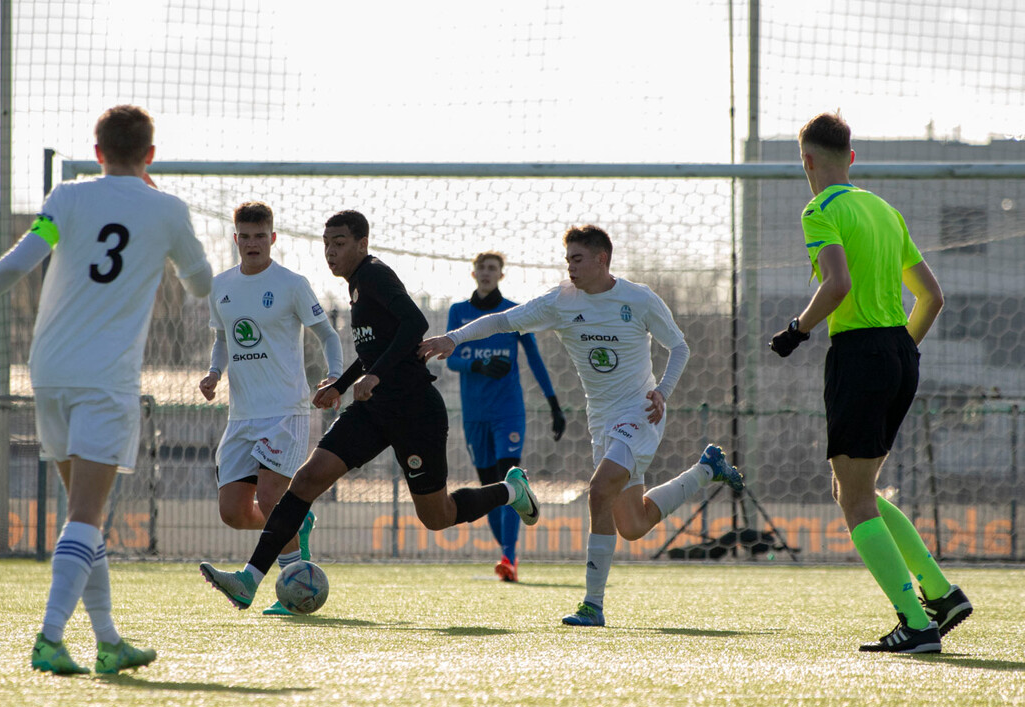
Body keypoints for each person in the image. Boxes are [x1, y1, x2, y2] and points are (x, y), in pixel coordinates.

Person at [0, 105, 213, 674]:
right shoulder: (168, 210)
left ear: (98, 151)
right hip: (105, 380)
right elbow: (200, 286)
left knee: (84, 515)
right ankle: (50, 637)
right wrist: (172, 241)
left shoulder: (67, 198)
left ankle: (107, 641)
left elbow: (22, 259)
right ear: (150, 155)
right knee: (84, 512)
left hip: (49, 370)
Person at [198, 210, 540, 609]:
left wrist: (374, 376)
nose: (330, 252)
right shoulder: (356, 286)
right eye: (326, 244)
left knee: (437, 515)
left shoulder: (375, 274)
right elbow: (374, 349)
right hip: (372, 410)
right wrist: (340, 386)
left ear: (362, 244)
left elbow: (413, 324)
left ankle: (510, 489)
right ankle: (249, 580)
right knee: (306, 481)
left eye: (339, 243)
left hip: (414, 410)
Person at [420, 225, 744, 626]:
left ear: (601, 259)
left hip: (641, 412)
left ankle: (593, 604)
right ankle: (706, 470)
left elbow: (678, 346)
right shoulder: (560, 301)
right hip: (602, 419)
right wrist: (454, 339)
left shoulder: (638, 299)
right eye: (567, 259)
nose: (570, 267)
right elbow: (502, 321)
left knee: (597, 490)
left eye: (577, 259)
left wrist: (663, 390)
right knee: (634, 525)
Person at [769, 111, 970, 654]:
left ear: (806, 161)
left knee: (854, 500)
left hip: (859, 355)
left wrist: (796, 330)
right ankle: (941, 594)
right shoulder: (884, 209)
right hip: (901, 352)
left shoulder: (820, 209)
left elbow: (837, 285)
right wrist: (900, 350)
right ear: (850, 158)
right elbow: (933, 297)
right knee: (861, 491)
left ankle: (916, 622)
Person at [198, 201, 344, 616]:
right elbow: (224, 339)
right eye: (245, 236)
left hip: (286, 411)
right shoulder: (220, 286)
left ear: (273, 238)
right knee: (234, 513)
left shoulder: (291, 284)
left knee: (270, 495)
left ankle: (294, 588)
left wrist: (335, 377)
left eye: (260, 236)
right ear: (236, 239)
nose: (252, 243)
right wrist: (213, 373)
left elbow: (328, 336)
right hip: (241, 416)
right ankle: (296, 524)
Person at [446, 251, 566, 582]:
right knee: (489, 488)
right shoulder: (458, 312)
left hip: (508, 412)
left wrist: (554, 403)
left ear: (501, 274)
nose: (486, 273)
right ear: (474, 274)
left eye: (492, 268)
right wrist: (478, 364)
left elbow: (535, 359)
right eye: (481, 268)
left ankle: (509, 557)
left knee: (510, 478)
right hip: (474, 415)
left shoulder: (514, 312)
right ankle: (507, 555)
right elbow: (450, 359)